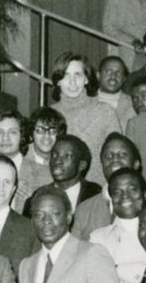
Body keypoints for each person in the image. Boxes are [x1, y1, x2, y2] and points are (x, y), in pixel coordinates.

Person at [49, 53, 122, 186]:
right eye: (65, 75)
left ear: (86, 79)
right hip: (58, 192)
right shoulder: (49, 115)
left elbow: (117, 154)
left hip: (96, 191)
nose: (72, 82)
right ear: (58, 81)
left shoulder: (105, 112)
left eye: (77, 75)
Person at [72, 133, 142, 240]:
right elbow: (74, 252)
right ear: (102, 164)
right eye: (108, 156)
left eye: (122, 154)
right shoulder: (84, 209)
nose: (114, 159)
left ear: (136, 164)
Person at [24, 134, 102, 217]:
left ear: (81, 165)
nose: (58, 161)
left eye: (67, 156)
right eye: (54, 155)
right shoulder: (38, 197)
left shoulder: (96, 194)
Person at [18, 108, 65, 208]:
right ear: (31, 134)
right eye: (40, 130)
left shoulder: (63, 163)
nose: (46, 136)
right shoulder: (19, 161)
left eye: (52, 131)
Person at [97, 55, 136, 130]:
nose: (113, 76)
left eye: (118, 73)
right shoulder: (86, 102)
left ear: (124, 78)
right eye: (108, 71)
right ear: (98, 75)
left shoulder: (133, 104)